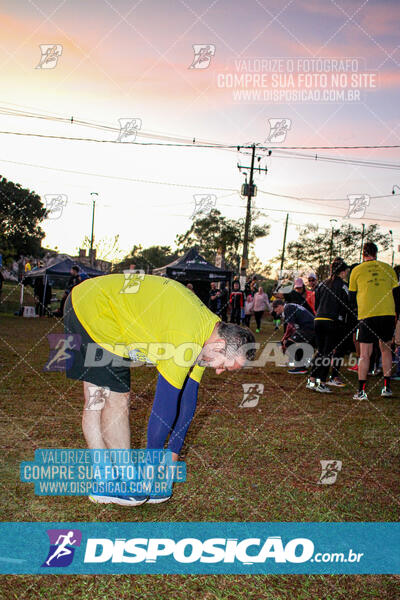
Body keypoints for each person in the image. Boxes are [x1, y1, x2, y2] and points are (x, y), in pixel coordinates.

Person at [63, 274, 255, 506]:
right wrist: (150, 472)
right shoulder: (186, 336)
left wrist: (171, 460)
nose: (219, 371)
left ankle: (111, 477)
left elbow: (187, 400)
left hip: (96, 305)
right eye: (225, 365)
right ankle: (110, 480)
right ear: (220, 346)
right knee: (113, 398)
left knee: (97, 398)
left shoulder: (209, 330)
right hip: (92, 308)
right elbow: (163, 409)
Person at [349, 242, 400, 400]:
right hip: (387, 314)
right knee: (385, 350)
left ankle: (362, 391)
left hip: (367, 315)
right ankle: (386, 387)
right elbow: (397, 294)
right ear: (376, 253)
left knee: (365, 354)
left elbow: (351, 298)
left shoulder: (356, 270)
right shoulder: (388, 268)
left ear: (362, 254)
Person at [306, 259, 350, 393]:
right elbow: (346, 305)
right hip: (332, 321)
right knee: (327, 353)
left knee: (320, 351)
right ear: (342, 272)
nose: (346, 275)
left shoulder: (322, 284)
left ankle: (312, 380)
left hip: (318, 319)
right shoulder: (343, 285)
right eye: (346, 272)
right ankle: (322, 382)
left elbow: (316, 302)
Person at [272, 299, 315, 374]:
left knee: (289, 343)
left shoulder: (287, 308)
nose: (276, 312)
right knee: (299, 344)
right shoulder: (291, 306)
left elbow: (290, 326)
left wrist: (283, 339)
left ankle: (301, 367)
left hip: (308, 328)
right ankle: (305, 363)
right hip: (311, 327)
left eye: (275, 310)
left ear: (279, 306)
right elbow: (293, 327)